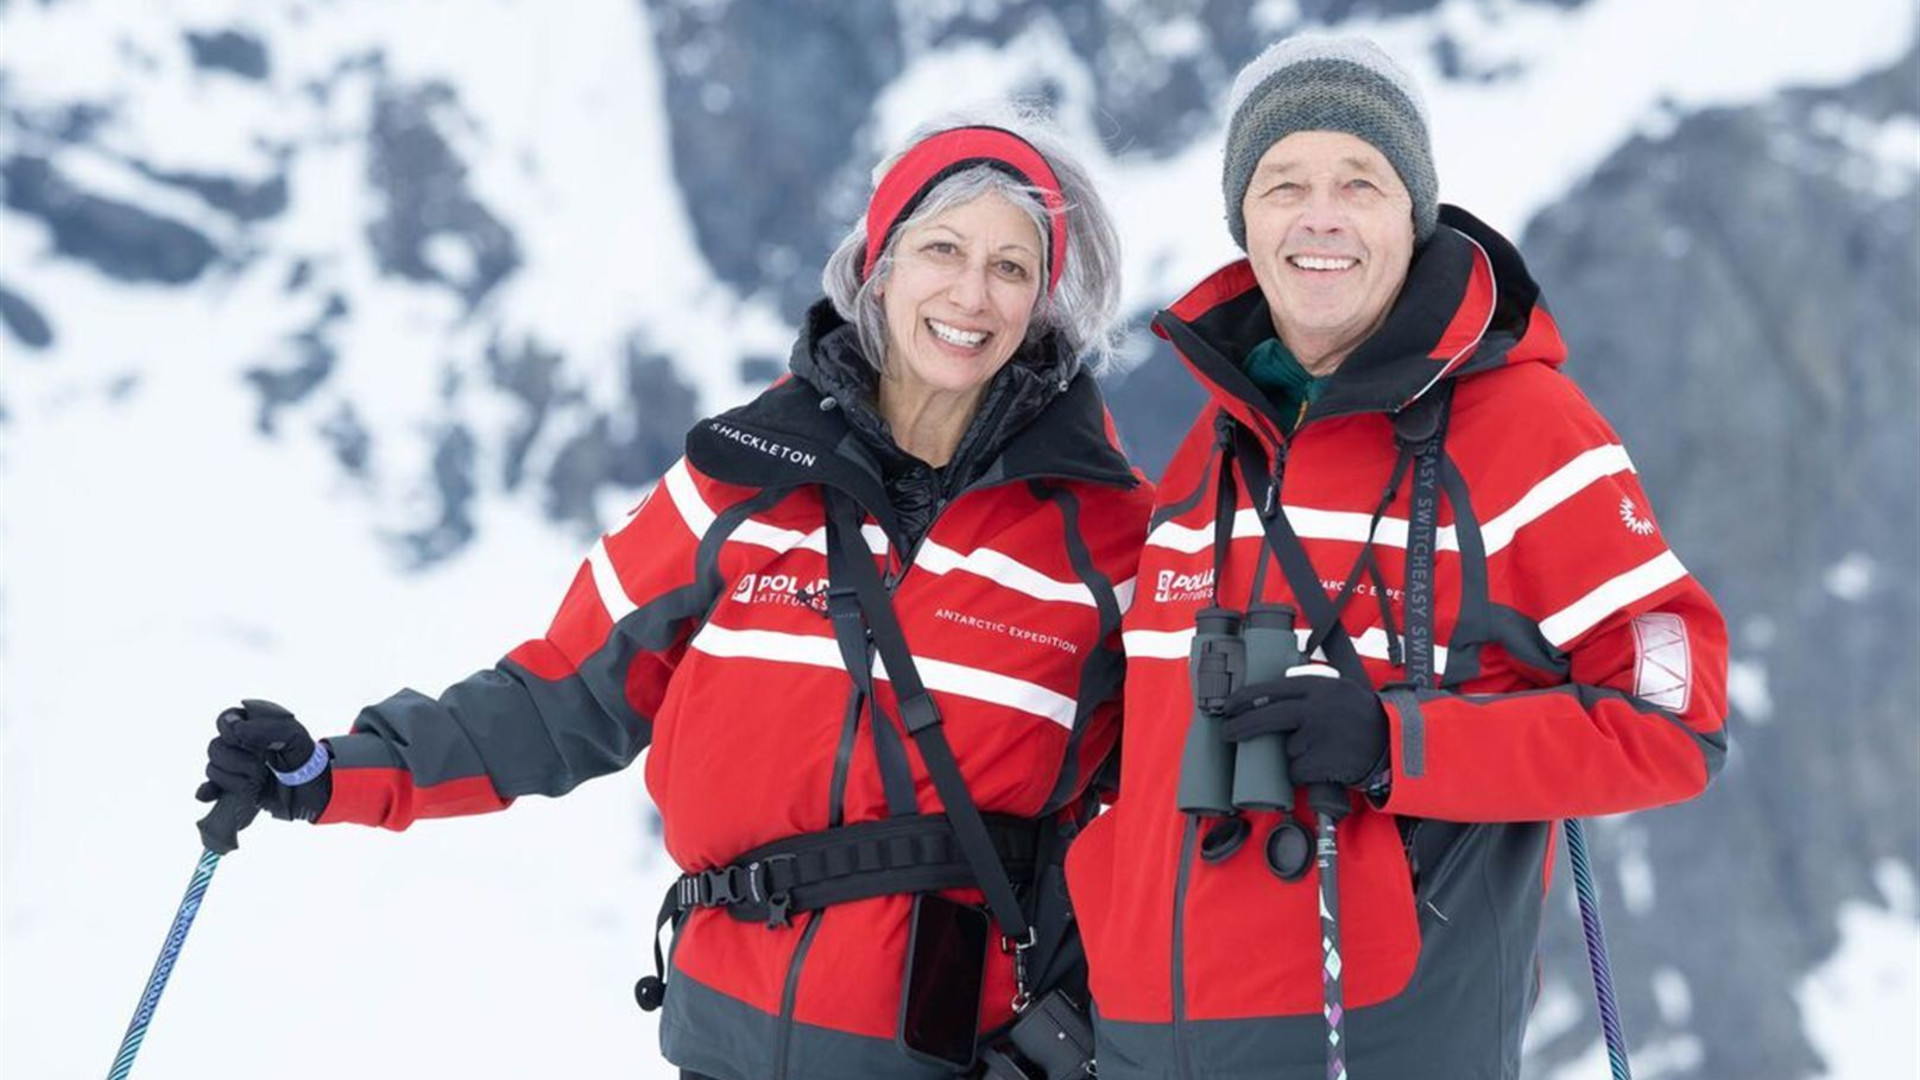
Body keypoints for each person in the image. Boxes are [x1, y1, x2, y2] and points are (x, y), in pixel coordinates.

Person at [197, 112, 1153, 1080]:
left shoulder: (1108, 540)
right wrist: (332, 772)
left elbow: (1173, 828)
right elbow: (558, 698)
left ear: (1042, 305)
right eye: (941, 248)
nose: (970, 292)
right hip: (721, 1052)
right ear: (879, 263)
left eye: (1010, 267)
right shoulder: (739, 482)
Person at [1061, 36, 1729, 1080]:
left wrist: (1394, 746)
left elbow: (1677, 721)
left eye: (1358, 182)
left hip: (1383, 1046)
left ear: (1411, 217)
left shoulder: (1528, 428)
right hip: (1143, 1051)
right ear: (1245, 222)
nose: (1318, 215)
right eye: (1283, 184)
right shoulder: (1214, 448)